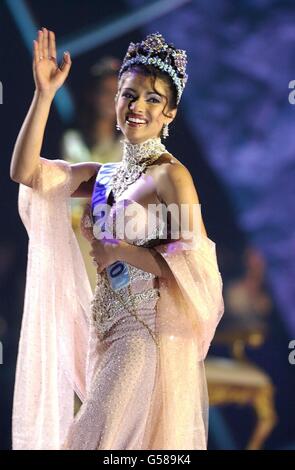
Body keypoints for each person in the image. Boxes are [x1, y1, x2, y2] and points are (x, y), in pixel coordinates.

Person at [10, 27, 224, 450]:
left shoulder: (171, 175)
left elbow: (194, 265)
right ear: (115, 101)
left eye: (152, 98)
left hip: (144, 336)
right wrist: (44, 95)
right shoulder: (102, 175)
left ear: (170, 114)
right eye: (128, 95)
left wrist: (120, 250)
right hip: (102, 335)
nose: (137, 107)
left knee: (88, 440)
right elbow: (26, 173)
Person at [61, 57, 123, 291]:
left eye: (118, 93)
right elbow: (67, 191)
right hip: (82, 234)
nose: (111, 100)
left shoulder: (129, 143)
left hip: (121, 233)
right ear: (91, 95)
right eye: (105, 92)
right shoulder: (73, 142)